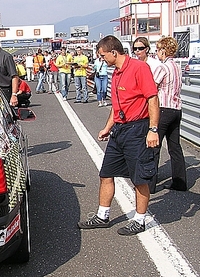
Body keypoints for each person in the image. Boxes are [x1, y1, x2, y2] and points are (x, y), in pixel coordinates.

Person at [78, 35, 160, 236]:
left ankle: (139, 220)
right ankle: (102, 215)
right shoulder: (115, 73)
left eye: (103, 55)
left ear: (114, 52)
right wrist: (107, 127)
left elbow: (153, 98)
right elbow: (117, 106)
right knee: (106, 173)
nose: (101, 59)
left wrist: (153, 129)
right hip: (120, 130)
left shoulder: (139, 68)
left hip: (138, 129)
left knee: (139, 178)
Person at [149, 36, 188, 193]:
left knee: (154, 147)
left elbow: (152, 87)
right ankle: (180, 182)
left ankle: (149, 186)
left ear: (163, 51)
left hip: (163, 108)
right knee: (175, 147)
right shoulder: (177, 67)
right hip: (176, 109)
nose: (157, 53)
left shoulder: (162, 67)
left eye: (158, 50)